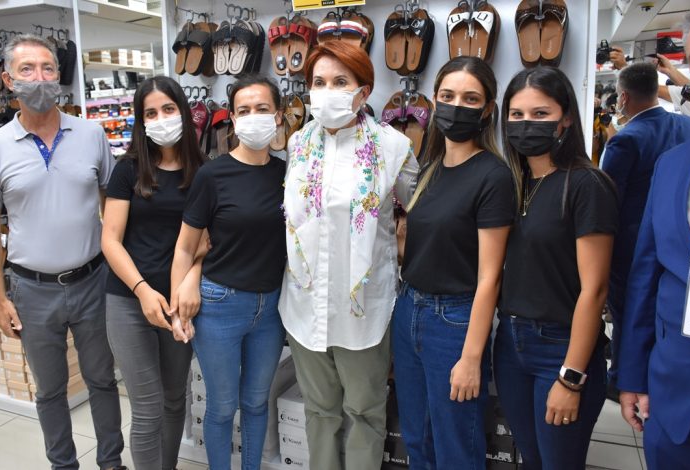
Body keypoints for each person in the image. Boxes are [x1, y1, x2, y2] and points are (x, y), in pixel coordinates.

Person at [0, 35, 126, 470]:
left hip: (93, 280)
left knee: (102, 379)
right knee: (51, 390)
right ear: (8, 80)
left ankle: (111, 462)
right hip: (32, 289)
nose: (39, 78)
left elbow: (112, 207)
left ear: (60, 76)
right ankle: (63, 464)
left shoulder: (91, 134)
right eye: (27, 69)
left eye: (48, 68)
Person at [280, 42, 418, 470]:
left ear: (364, 91)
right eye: (319, 82)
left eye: (340, 82)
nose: (327, 91)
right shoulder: (298, 143)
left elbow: (417, 210)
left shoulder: (393, 147)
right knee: (320, 411)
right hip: (305, 304)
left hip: (362, 309)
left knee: (364, 410)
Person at [391, 56, 515, 469]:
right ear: (434, 100)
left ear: (488, 108)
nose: (456, 105)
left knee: (455, 444)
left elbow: (490, 276)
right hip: (409, 308)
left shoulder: (493, 176)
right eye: (448, 95)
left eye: (470, 98)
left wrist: (472, 357)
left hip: (454, 321)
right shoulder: (429, 169)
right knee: (417, 437)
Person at [494, 66, 618, 470]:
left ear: (565, 118)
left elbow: (595, 290)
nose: (526, 124)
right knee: (531, 459)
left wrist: (571, 376)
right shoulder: (514, 182)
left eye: (540, 114)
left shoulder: (586, 185)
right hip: (510, 344)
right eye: (517, 115)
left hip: (561, 347)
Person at [169, 75, 286, 470]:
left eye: (263, 109)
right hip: (220, 305)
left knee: (256, 402)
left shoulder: (287, 174)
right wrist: (176, 306)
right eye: (244, 110)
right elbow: (185, 247)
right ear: (232, 119)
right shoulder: (213, 175)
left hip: (271, 308)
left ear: (279, 116)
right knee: (222, 406)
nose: (253, 117)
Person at [101, 76, 204, 470]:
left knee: (175, 399)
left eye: (168, 109)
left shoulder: (204, 172)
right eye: (151, 113)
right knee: (146, 407)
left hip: (179, 301)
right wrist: (143, 290)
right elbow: (110, 240)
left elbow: (206, 244)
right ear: (140, 121)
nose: (161, 119)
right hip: (129, 299)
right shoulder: (128, 171)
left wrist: (186, 287)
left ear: (183, 112)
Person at [617, 9, 690, 468]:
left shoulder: (626, 140)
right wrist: (632, 373)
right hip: (674, 397)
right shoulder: (677, 156)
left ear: (624, 98)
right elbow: (648, 275)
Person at [600, 62, 690, 394]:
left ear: (623, 97)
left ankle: (622, 377)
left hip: (631, 247)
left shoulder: (626, 140)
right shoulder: (688, 126)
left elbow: (609, 201)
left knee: (628, 312)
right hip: (679, 243)